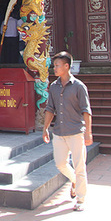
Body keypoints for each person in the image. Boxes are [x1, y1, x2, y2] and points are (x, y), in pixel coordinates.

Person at [42, 51, 92, 211]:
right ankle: (75, 181)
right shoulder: (54, 87)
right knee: (60, 164)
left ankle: (81, 198)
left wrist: (88, 132)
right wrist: (45, 128)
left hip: (76, 131)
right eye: (54, 65)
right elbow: (50, 108)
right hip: (59, 131)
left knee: (80, 166)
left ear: (66, 66)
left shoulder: (78, 86)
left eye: (57, 65)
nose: (54, 68)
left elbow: (86, 110)